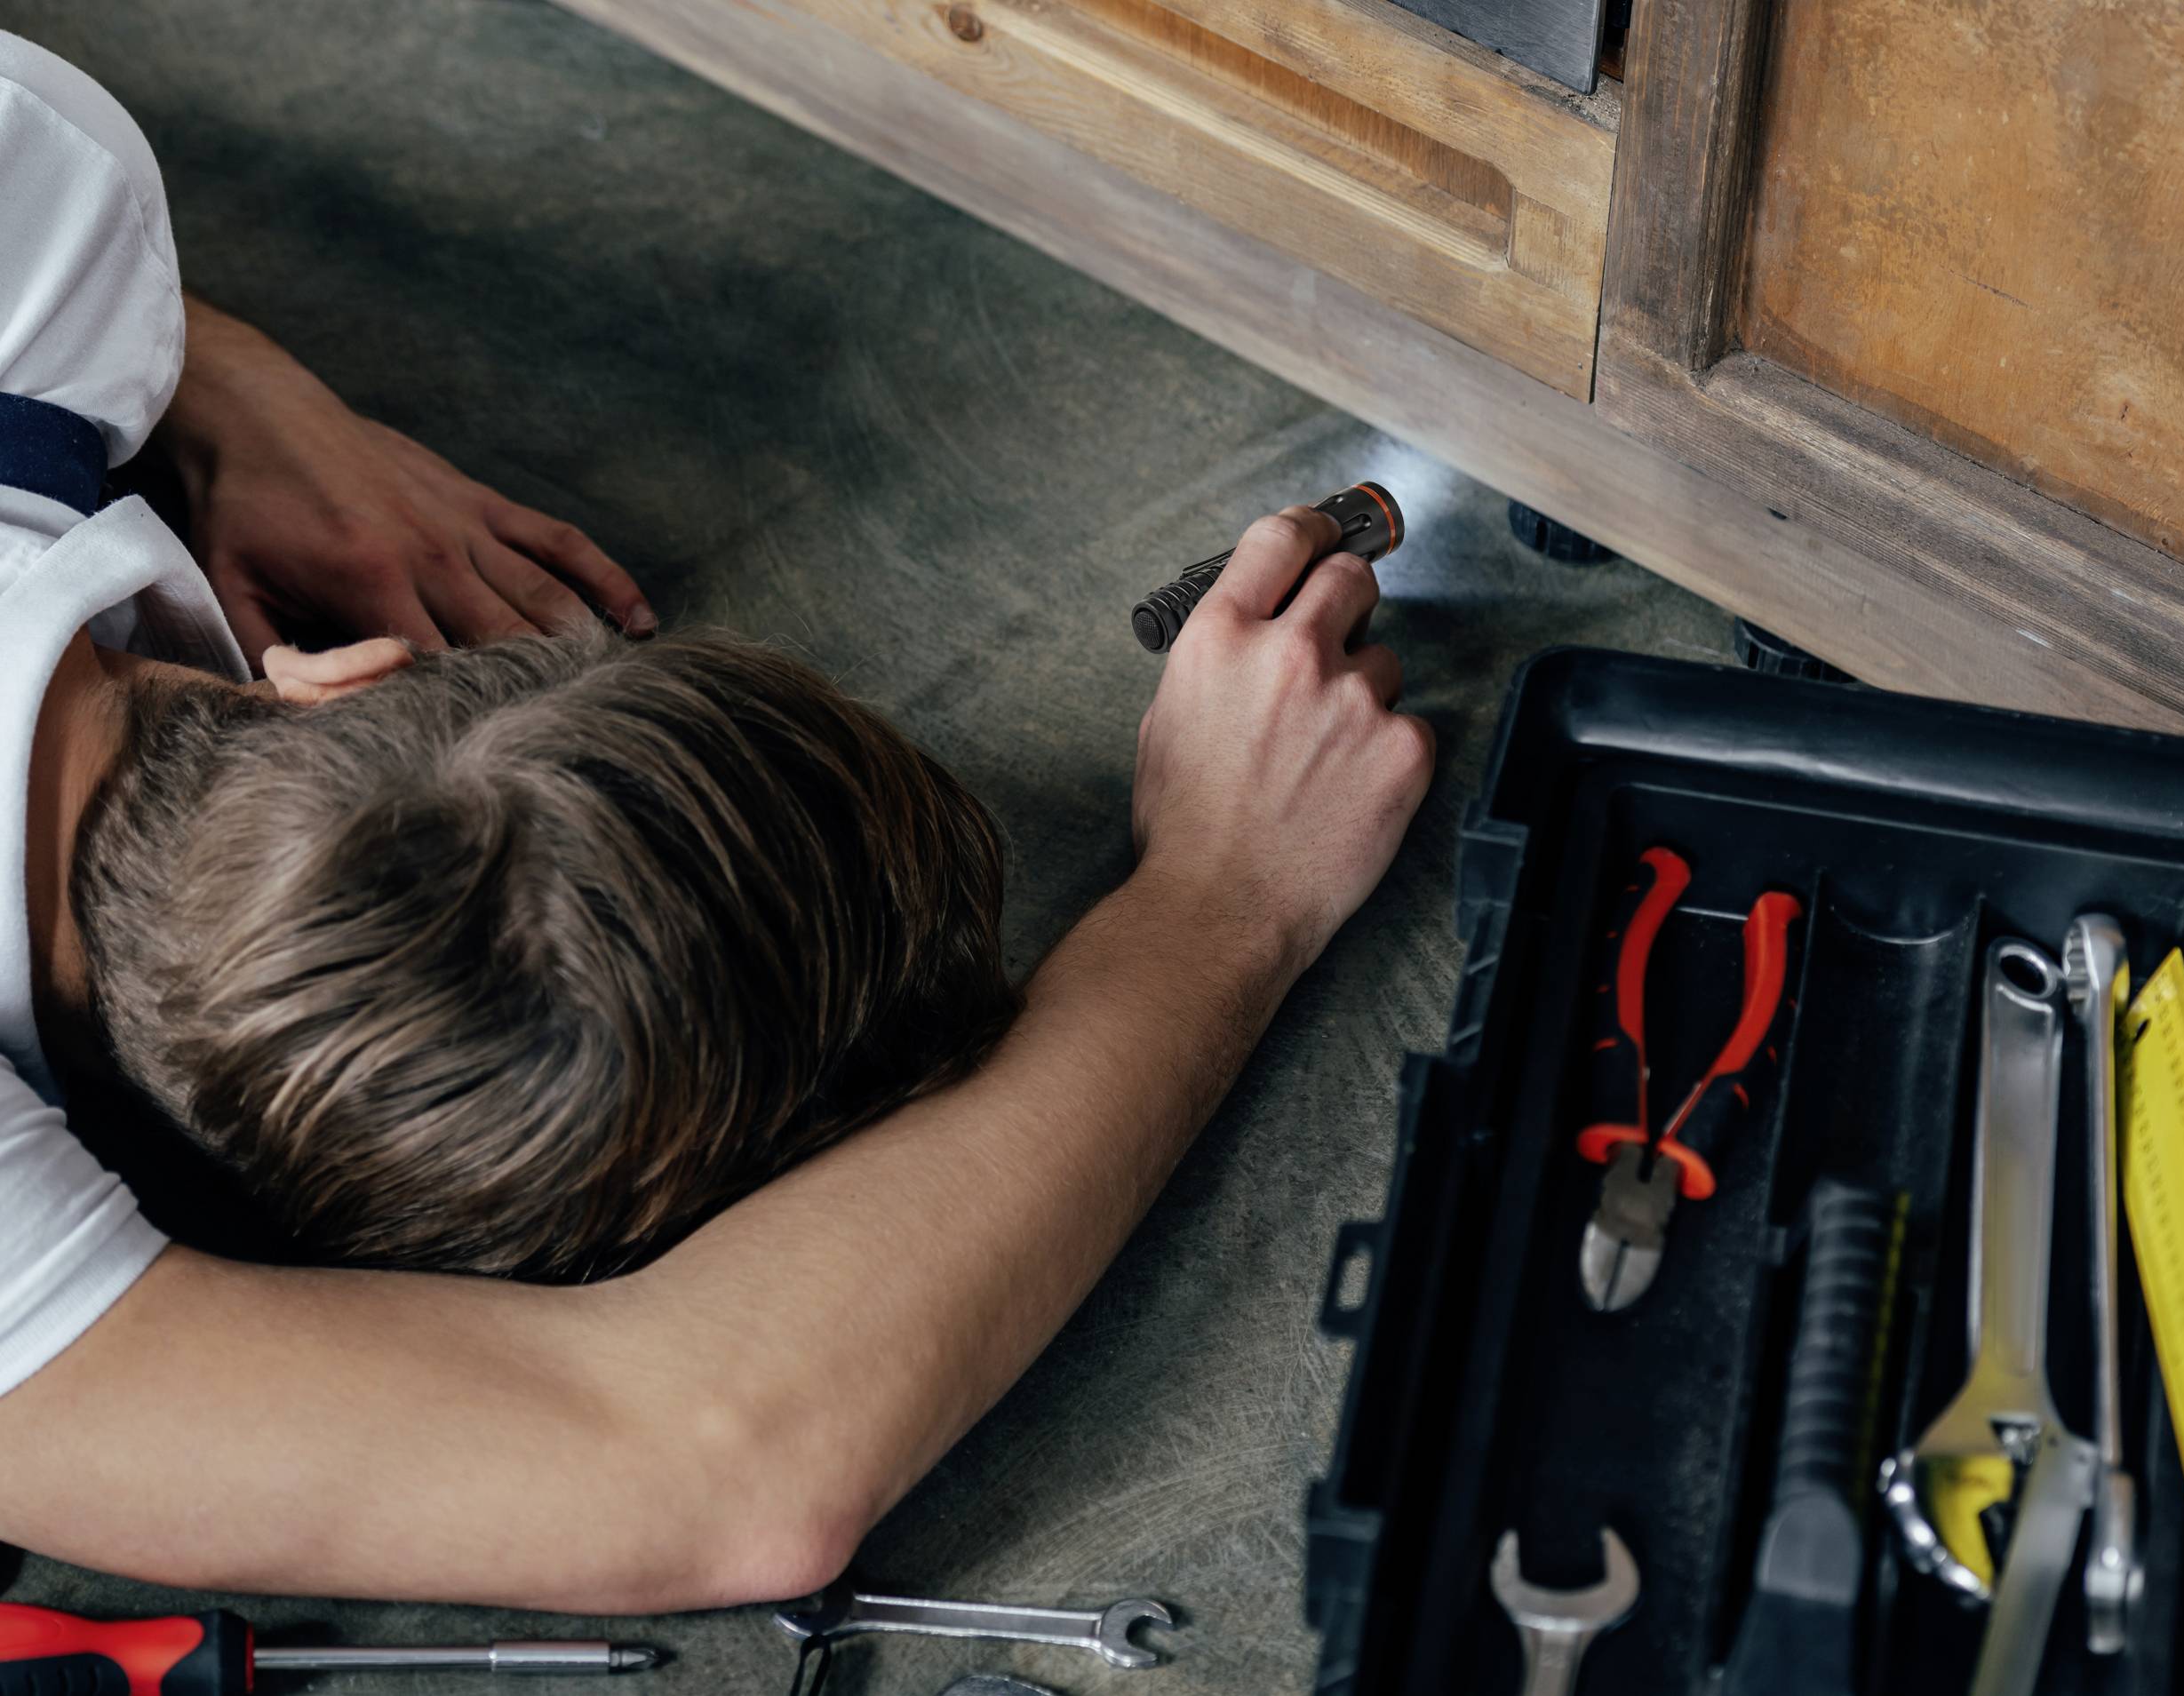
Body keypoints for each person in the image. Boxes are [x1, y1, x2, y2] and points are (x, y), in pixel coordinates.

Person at [0, 27, 1435, 1612]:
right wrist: (1222, 904)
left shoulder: (54, 217)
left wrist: (199, 370)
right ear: (345, 669)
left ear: (353, 676)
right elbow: (695, 1464)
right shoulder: (46, 230)